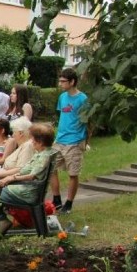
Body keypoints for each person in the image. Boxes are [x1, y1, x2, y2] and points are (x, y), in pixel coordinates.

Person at [0, 123, 56, 233]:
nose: (31, 141)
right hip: (29, 190)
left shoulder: (44, 157)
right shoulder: (44, 153)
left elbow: (32, 176)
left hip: (27, 193)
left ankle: (1, 221)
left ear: (40, 142)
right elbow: (26, 170)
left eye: (33, 139)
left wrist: (11, 178)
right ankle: (0, 222)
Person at [49, 68, 89, 215]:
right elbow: (62, 116)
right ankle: (57, 199)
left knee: (73, 173)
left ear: (72, 82)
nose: (61, 83)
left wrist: (85, 140)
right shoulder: (62, 97)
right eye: (60, 81)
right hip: (60, 139)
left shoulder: (82, 99)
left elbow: (88, 120)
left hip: (75, 140)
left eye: (63, 81)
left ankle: (69, 203)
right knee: (51, 167)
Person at [0, 116, 35, 196]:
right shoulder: (22, 146)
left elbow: (21, 169)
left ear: (21, 133)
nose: (13, 135)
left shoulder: (27, 146)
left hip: (16, 184)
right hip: (8, 179)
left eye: (14, 132)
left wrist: (1, 174)